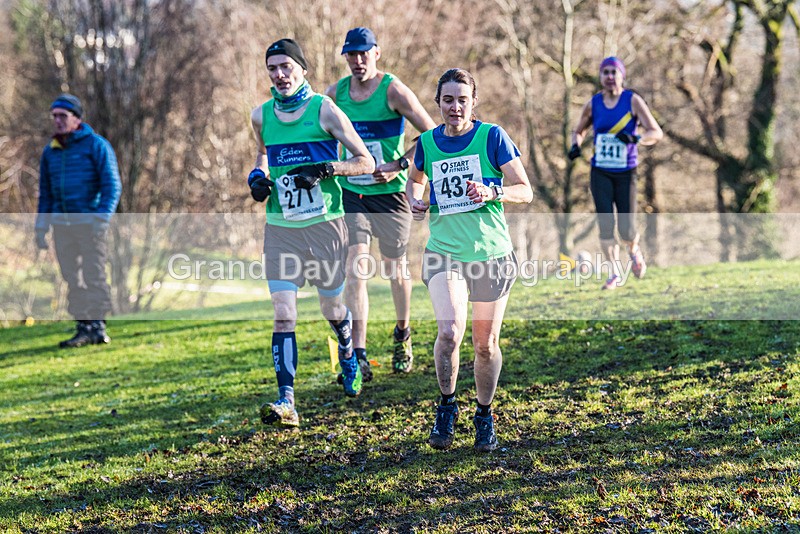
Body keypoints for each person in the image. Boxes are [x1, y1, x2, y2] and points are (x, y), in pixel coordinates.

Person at [249, 38, 375, 427]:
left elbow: (365, 161)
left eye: (286, 66)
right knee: (284, 315)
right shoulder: (260, 115)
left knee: (331, 309)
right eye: (272, 68)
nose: (279, 75)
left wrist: (325, 170)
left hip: (325, 226)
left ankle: (347, 343)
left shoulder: (325, 109)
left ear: (302, 69)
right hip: (281, 228)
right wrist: (258, 176)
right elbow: (264, 153)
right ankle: (287, 401)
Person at [406, 68, 533, 452]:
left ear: (473, 102)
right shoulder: (427, 143)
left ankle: (484, 414)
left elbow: (525, 191)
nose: (455, 107)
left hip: (491, 254)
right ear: (438, 103)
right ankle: (446, 406)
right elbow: (415, 180)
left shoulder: (492, 137)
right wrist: (415, 198)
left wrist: (493, 191)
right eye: (448, 100)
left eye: (462, 99)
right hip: (444, 253)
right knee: (449, 332)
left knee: (485, 345)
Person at [324, 27, 437, 381]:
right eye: (351, 55)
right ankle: (358, 352)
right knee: (356, 266)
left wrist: (398, 165)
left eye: (363, 54)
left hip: (390, 196)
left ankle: (402, 333)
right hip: (351, 193)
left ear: (377, 53)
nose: (357, 61)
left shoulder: (393, 90)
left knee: (395, 269)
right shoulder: (335, 94)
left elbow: (430, 134)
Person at [568, 56, 663, 290]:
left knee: (627, 229)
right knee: (605, 223)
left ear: (622, 75)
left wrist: (636, 138)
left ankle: (634, 250)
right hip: (600, 170)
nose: (610, 77)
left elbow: (655, 132)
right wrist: (575, 145)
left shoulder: (633, 101)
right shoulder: (594, 103)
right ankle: (614, 272)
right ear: (600, 77)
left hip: (626, 171)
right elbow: (578, 130)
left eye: (614, 72)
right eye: (605, 72)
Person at [35, 94, 122, 348]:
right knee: (71, 277)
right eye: (55, 116)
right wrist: (41, 227)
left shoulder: (96, 145)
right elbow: (46, 193)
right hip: (62, 225)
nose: (58, 121)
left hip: (90, 223)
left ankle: (97, 326)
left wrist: (101, 219)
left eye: (63, 116)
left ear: (77, 119)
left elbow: (112, 186)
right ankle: (82, 326)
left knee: (94, 275)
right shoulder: (51, 151)